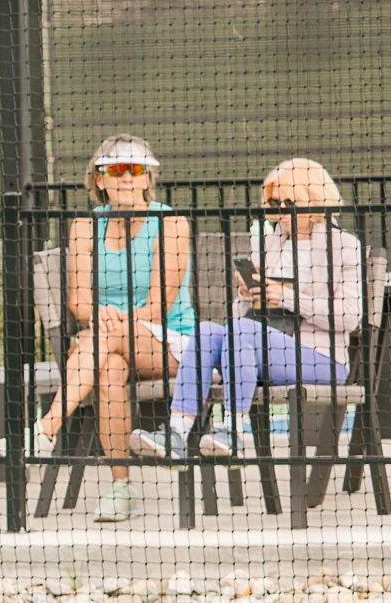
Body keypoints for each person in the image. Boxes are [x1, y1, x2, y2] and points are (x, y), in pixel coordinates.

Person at [0, 134, 194, 523]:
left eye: (134, 170)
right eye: (115, 170)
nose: (125, 178)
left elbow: (158, 306)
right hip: (106, 343)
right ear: (99, 179)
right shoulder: (86, 225)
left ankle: (47, 428)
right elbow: (78, 302)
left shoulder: (170, 223)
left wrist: (106, 325)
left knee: (103, 342)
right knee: (108, 371)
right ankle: (122, 489)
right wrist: (99, 317)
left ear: (147, 178)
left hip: (169, 342)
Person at [133, 158, 362, 459]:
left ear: (313, 199)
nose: (279, 211)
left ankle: (233, 433)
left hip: (321, 359)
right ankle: (175, 434)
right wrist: (246, 294)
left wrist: (286, 297)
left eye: (288, 202)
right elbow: (242, 321)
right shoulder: (270, 245)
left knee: (241, 330)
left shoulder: (343, 245)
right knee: (207, 333)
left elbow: (349, 316)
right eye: (273, 203)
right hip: (263, 351)